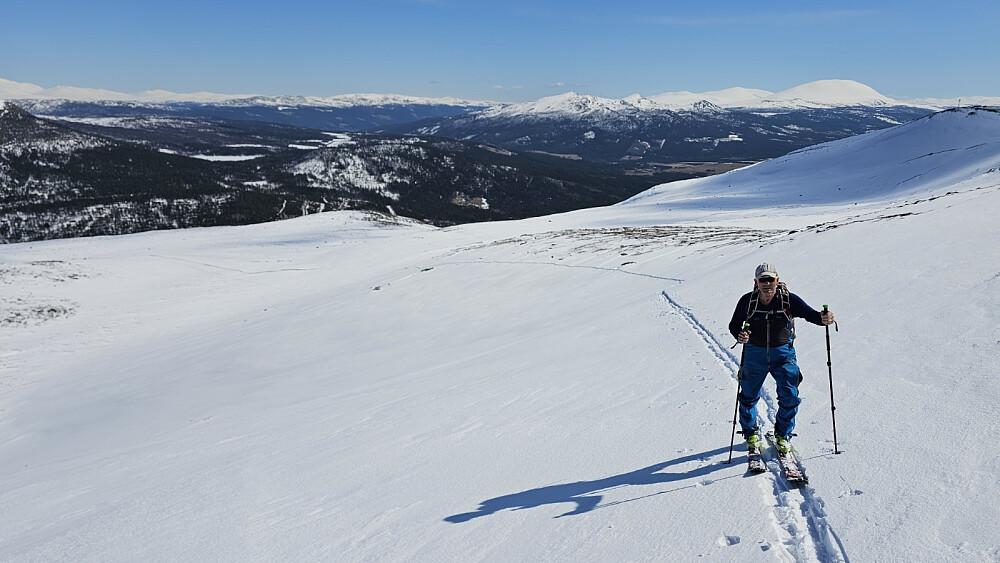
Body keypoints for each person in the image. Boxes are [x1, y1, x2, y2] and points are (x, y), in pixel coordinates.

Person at [728, 263, 834, 453]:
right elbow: (734, 325)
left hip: (783, 354)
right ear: (756, 282)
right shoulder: (747, 301)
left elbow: (811, 315)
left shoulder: (789, 300)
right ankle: (750, 433)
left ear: (777, 280)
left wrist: (825, 318)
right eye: (763, 280)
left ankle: (783, 435)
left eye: (770, 279)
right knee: (748, 397)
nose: (767, 284)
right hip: (754, 354)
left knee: (790, 397)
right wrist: (739, 335)